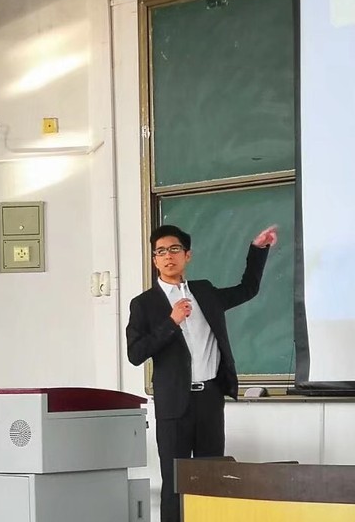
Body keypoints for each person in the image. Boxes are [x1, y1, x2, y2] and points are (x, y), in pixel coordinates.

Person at [126, 223, 278, 522]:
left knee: (212, 479)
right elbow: (136, 354)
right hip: (173, 405)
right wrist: (171, 322)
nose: (167, 256)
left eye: (174, 249)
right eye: (160, 252)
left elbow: (248, 289)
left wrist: (258, 249)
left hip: (209, 398)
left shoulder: (204, 292)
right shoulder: (144, 304)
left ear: (187, 255)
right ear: (154, 260)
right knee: (175, 483)